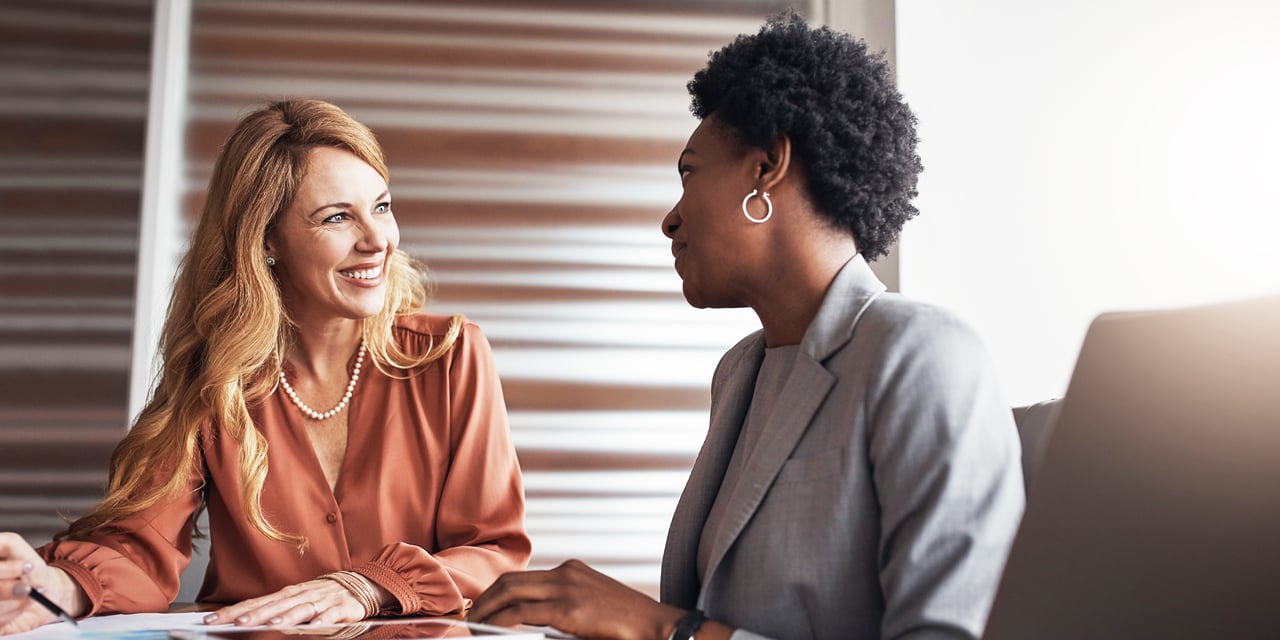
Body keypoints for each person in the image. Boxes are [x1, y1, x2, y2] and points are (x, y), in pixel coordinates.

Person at [468, 13, 1024, 640]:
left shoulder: (921, 354)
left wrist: (660, 629)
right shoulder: (740, 371)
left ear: (767, 168)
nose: (670, 221)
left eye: (689, 173)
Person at [0, 98, 530, 635]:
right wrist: (58, 586)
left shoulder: (450, 355)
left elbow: (495, 552)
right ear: (267, 240)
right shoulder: (213, 379)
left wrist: (369, 586)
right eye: (338, 217)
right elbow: (141, 545)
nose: (377, 241)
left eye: (383, 207)